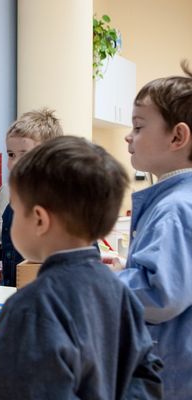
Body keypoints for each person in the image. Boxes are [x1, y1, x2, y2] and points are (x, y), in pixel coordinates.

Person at [0, 136, 163, 399]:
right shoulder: (120, 291)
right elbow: (147, 376)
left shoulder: (30, 308)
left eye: (16, 211)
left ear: (40, 220)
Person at [117, 62, 192, 399]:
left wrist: (104, 282)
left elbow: (162, 294)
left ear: (177, 136)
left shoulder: (175, 207)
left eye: (138, 126)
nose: (128, 136)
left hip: (170, 371)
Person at [0, 108, 64, 287]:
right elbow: (9, 261)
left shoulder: (65, 206)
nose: (14, 163)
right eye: (11, 155)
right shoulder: (13, 204)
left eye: (25, 155)